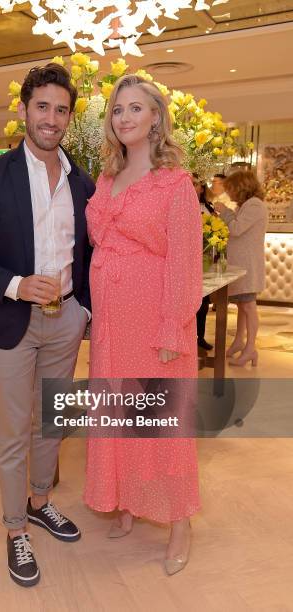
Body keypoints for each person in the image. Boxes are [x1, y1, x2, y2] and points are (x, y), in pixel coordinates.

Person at [0, 63, 94, 588]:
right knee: (14, 430)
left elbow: (90, 254)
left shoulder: (83, 182)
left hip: (66, 321)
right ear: (23, 110)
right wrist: (13, 283)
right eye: (42, 107)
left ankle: (39, 503)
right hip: (12, 321)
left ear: (68, 118)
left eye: (60, 110)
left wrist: (87, 310)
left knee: (49, 423)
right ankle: (16, 530)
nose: (51, 118)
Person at [84, 75, 202, 576]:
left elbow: (185, 261)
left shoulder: (175, 182)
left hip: (154, 320)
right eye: (117, 110)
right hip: (111, 321)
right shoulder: (106, 179)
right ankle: (125, 501)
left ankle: (179, 523)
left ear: (156, 117)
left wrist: (175, 328)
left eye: (135, 108)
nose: (124, 117)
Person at [214, 170, 267, 367]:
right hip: (242, 264)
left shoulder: (254, 205)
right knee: (242, 306)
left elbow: (236, 229)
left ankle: (250, 348)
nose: (229, 194)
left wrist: (225, 212)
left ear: (240, 187)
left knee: (248, 306)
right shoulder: (247, 205)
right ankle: (239, 342)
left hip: (248, 265)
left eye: (231, 189)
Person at [192, 175, 214, 351]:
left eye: (195, 184)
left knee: (203, 302)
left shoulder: (208, 207)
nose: (193, 187)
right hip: (187, 258)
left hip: (203, 257)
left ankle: (200, 336)